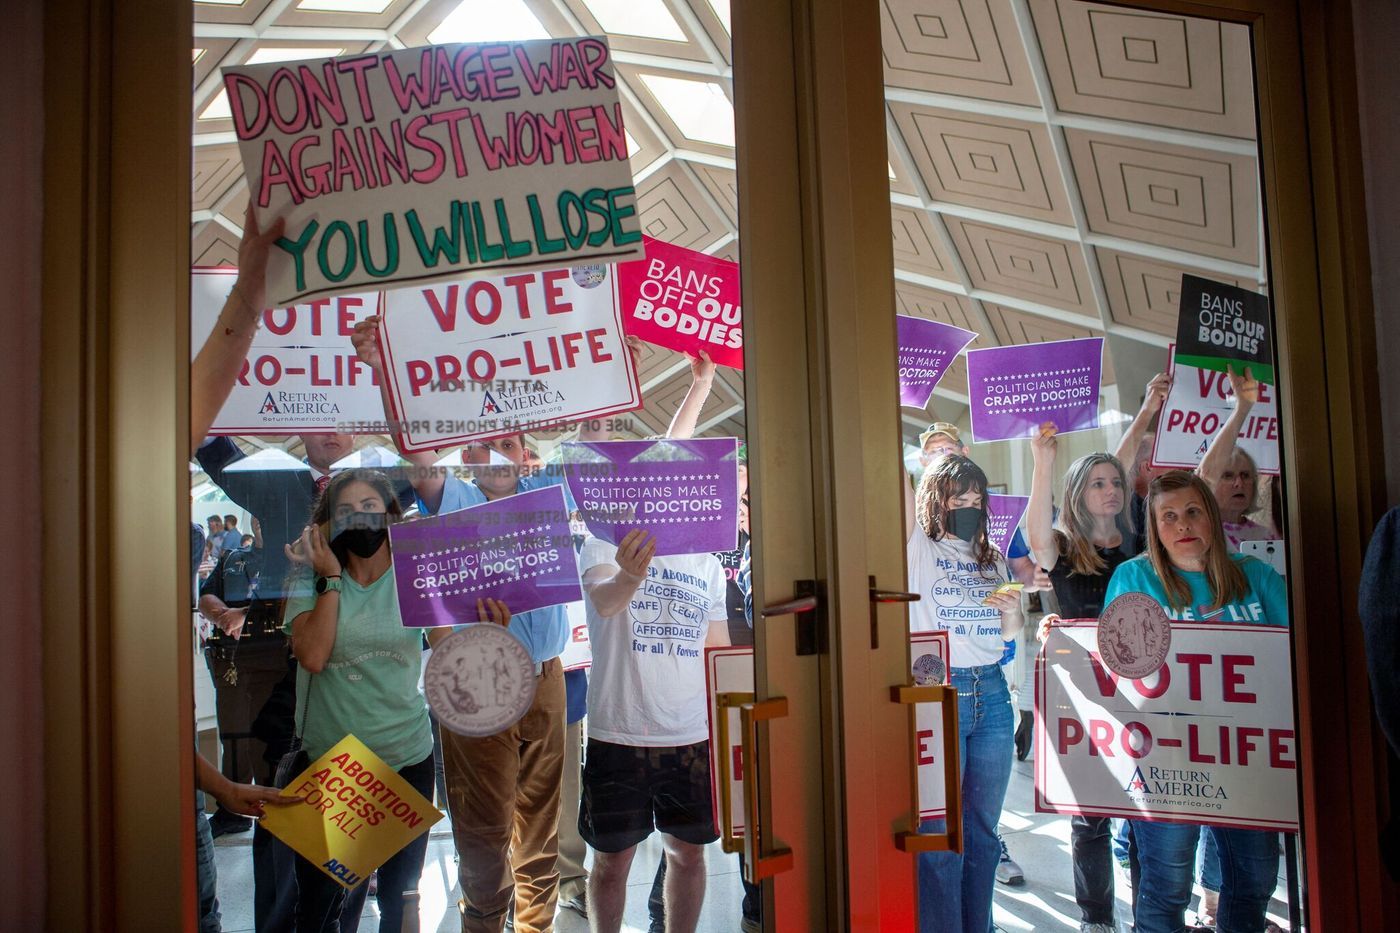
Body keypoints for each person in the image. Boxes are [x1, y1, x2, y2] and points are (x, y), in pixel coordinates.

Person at [1104, 471, 1288, 933]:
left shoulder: (1258, 577)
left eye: (1192, 511)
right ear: (1155, 529)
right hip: (1168, 758)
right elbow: (1111, 665)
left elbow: (1293, 657)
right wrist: (1067, 642)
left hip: (1247, 758)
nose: (1182, 524)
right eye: (1168, 516)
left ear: (1211, 516)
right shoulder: (1133, 577)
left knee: (1253, 880)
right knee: (1165, 886)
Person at [283, 468, 458, 933]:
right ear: (327, 523)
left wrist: (486, 622)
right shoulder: (309, 575)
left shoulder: (415, 572)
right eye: (344, 512)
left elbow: (450, 649)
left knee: (402, 903)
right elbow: (314, 656)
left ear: (389, 514)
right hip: (335, 765)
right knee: (323, 908)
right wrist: (330, 579)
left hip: (406, 759)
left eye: (368, 508)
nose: (358, 519)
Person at [578, 526, 730, 933]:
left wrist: (727, 735)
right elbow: (605, 603)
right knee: (611, 861)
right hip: (617, 734)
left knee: (688, 855)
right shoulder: (603, 543)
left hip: (690, 737)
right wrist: (628, 576)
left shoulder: (708, 564)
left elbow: (717, 654)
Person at [907, 455, 1025, 932]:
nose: (970, 508)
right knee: (937, 830)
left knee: (983, 830)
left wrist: (1014, 609)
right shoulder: (918, 547)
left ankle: (980, 925)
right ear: (936, 501)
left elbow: (1008, 636)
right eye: (959, 499)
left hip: (993, 694)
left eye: (977, 500)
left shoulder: (992, 556)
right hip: (939, 692)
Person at [1027, 423, 1137, 933]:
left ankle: (1154, 910)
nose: (1110, 489)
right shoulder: (1064, 550)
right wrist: (1043, 460)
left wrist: (1151, 410)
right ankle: (1098, 917)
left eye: (1115, 480)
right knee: (1090, 814)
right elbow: (1035, 538)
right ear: (1077, 492)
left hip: (1140, 693)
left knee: (1145, 810)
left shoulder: (1140, 544)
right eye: (1097, 482)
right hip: (1083, 695)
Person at [1197, 365, 1276, 551]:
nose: (1239, 483)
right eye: (1228, 475)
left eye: (1246, 475)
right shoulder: (1201, 531)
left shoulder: (1267, 536)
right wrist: (1243, 408)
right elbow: (1205, 475)